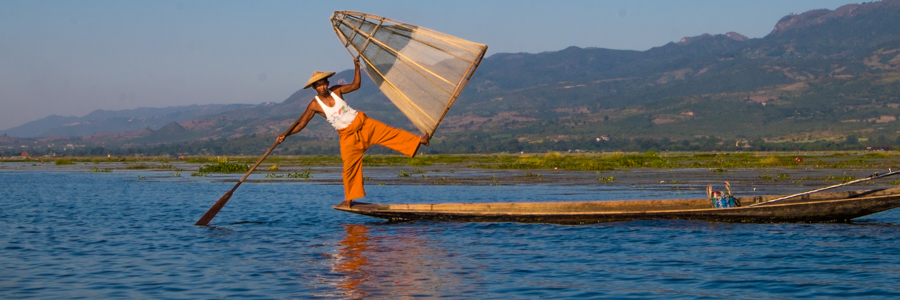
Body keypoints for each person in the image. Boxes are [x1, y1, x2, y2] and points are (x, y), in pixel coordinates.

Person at [276, 56, 430, 208]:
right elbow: (302, 123)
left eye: (324, 84)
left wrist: (356, 66)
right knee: (349, 168)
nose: (322, 87)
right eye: (318, 86)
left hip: (363, 124)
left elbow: (356, 85)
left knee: (390, 133)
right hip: (348, 137)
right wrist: (286, 134)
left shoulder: (336, 91)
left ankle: (420, 140)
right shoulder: (314, 105)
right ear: (314, 88)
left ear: (327, 83)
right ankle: (350, 199)